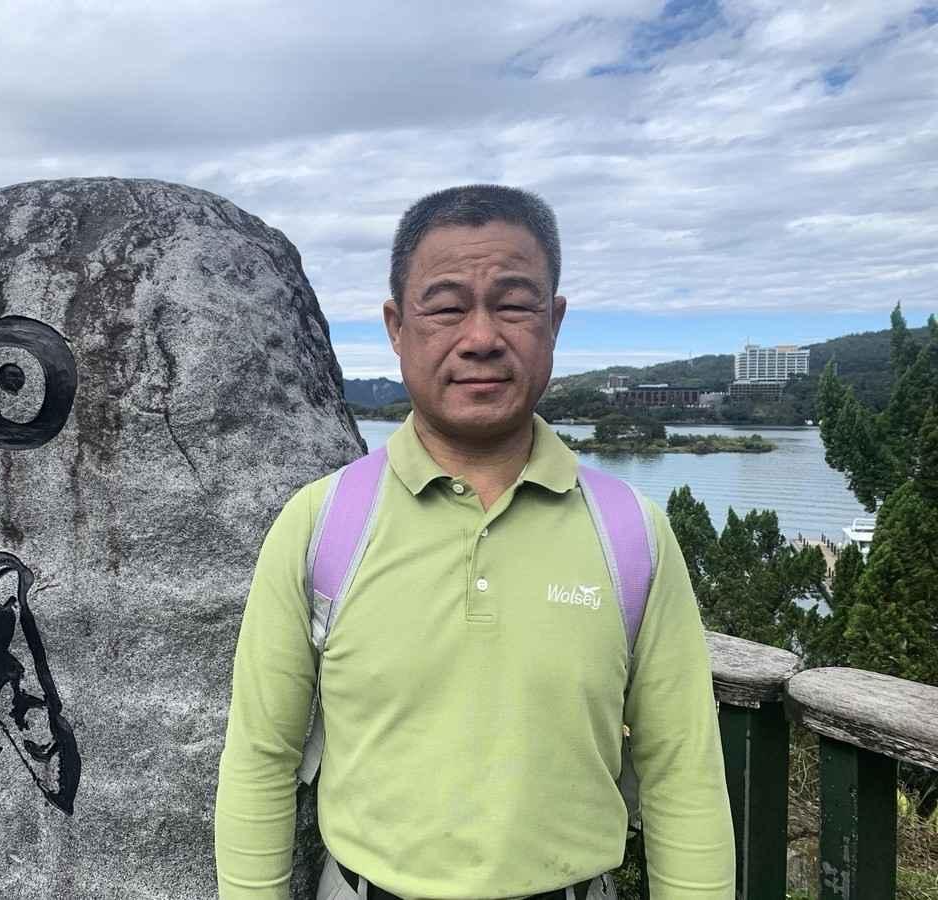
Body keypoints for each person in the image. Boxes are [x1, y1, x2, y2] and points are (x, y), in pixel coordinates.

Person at [214, 185, 735, 899]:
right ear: (397, 327)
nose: (482, 337)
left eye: (515, 303)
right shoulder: (321, 524)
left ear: (553, 321)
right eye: (447, 304)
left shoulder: (631, 532)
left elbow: (685, 772)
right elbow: (259, 760)